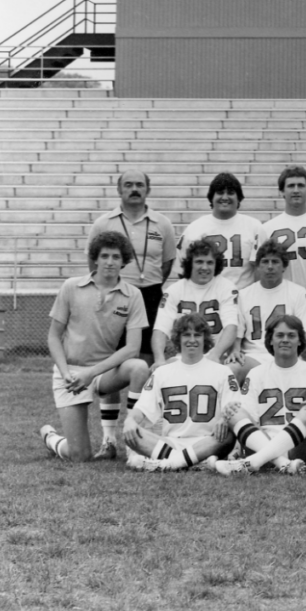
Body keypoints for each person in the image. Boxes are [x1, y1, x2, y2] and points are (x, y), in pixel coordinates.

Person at [41, 231, 151, 462]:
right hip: (71, 373)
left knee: (140, 366)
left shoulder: (134, 295)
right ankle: (51, 438)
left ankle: (132, 444)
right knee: (80, 456)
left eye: (116, 257)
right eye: (105, 256)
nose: (110, 262)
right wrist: (65, 373)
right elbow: (53, 337)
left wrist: (92, 373)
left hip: (103, 373)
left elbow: (132, 348)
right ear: (95, 258)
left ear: (124, 261)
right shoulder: (71, 286)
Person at [86, 169, 177, 446]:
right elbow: (94, 264)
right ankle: (109, 439)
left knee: (148, 363)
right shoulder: (104, 223)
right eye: (128, 185)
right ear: (119, 190)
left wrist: (147, 284)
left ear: (147, 189)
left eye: (139, 184)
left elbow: (166, 264)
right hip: (116, 295)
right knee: (112, 363)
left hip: (150, 295)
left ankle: (139, 432)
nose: (134, 189)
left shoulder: (162, 223)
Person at [214, 315, 306, 475]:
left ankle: (253, 462)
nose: (285, 340)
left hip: (300, 450)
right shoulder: (256, 374)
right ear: (270, 340)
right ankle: (282, 464)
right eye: (279, 335)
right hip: (261, 442)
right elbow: (249, 416)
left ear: (300, 340)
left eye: (291, 335)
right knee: (234, 410)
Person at [122, 313, 240, 471]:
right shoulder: (162, 373)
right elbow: (141, 409)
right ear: (178, 338)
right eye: (186, 335)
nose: (192, 340)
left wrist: (225, 419)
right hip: (172, 442)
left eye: (197, 335)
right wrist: (130, 420)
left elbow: (235, 407)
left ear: (205, 339)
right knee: (132, 432)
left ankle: (166, 464)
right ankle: (195, 463)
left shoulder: (222, 372)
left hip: (208, 442)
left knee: (228, 436)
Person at [233, 237, 306, 381]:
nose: (270, 266)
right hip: (254, 357)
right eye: (265, 262)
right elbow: (237, 339)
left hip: (289, 357)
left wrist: (284, 357)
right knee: (231, 371)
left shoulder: (298, 293)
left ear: (284, 266)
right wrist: (235, 351)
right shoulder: (244, 295)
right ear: (258, 266)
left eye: (275, 262)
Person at [151, 239, 239, 366]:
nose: (205, 267)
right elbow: (160, 329)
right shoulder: (175, 290)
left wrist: (215, 354)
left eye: (210, 262)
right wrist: (159, 359)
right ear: (190, 264)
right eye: (199, 262)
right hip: (183, 357)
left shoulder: (226, 287)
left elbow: (231, 327)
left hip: (217, 354)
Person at [176, 171, 264, 288]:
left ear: (239, 198)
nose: (225, 197)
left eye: (231, 193)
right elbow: (183, 271)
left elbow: (260, 270)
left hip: (243, 299)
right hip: (207, 300)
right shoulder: (194, 228)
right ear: (211, 197)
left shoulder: (254, 227)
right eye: (220, 192)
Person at [255, 165, 306, 289]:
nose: (296, 190)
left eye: (301, 185)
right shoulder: (267, 229)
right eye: (291, 186)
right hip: (281, 298)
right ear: (282, 191)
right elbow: (259, 269)